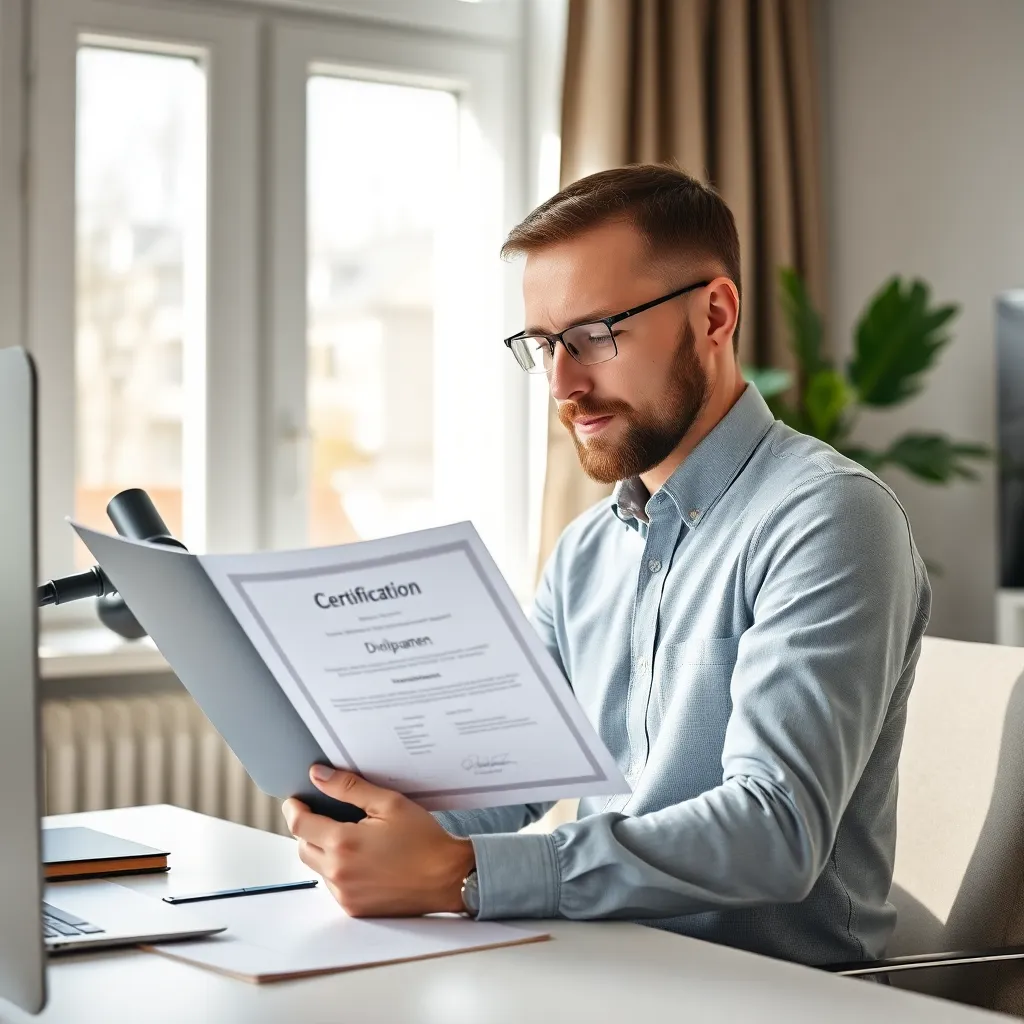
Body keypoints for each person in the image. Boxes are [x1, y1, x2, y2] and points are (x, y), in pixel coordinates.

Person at [283, 163, 931, 967]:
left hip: (772, 999)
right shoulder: (588, 551)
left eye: (594, 335)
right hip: (596, 970)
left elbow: (776, 829)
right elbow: (508, 778)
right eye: (544, 344)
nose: (562, 383)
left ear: (715, 314)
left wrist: (463, 875)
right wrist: (370, 819)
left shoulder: (827, 517)